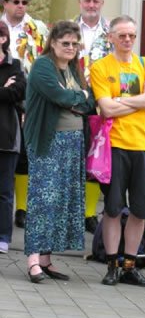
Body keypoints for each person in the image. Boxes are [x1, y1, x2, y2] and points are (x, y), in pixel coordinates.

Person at [90, 15, 145, 288]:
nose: (128, 40)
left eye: (131, 35)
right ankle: (111, 265)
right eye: (122, 36)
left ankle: (129, 265)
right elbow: (105, 108)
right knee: (113, 207)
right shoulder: (101, 67)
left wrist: (121, 101)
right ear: (111, 37)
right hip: (115, 144)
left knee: (140, 210)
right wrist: (137, 102)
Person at [23, 21, 95, 283]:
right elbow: (59, 97)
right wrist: (78, 98)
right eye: (65, 43)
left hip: (73, 141)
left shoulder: (74, 69)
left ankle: (46, 259)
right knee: (43, 200)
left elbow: (90, 103)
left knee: (62, 200)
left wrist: (78, 99)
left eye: (75, 44)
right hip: (48, 140)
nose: (71, 48)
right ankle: (32, 260)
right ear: (52, 42)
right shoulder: (43, 66)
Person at [0, 0, 48, 230]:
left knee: (26, 155)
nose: (21, 5)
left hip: (28, 95)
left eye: (25, 2)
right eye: (15, 1)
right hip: (2, 94)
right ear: (5, 2)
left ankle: (22, 209)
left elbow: (43, 62)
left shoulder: (37, 28)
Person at [74, 0, 112, 235]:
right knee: (73, 153)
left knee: (94, 156)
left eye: (95, 1)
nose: (91, 5)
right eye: (87, 0)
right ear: (80, 3)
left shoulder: (112, 31)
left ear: (102, 4)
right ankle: (72, 211)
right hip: (73, 98)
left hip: (100, 100)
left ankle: (89, 213)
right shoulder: (67, 29)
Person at [0, 21, 26, 254]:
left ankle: (3, 238)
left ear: (2, 39)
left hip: (6, 138)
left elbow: (19, 92)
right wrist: (3, 89)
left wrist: (9, 90)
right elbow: (8, 93)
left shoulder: (15, 65)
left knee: (5, 192)